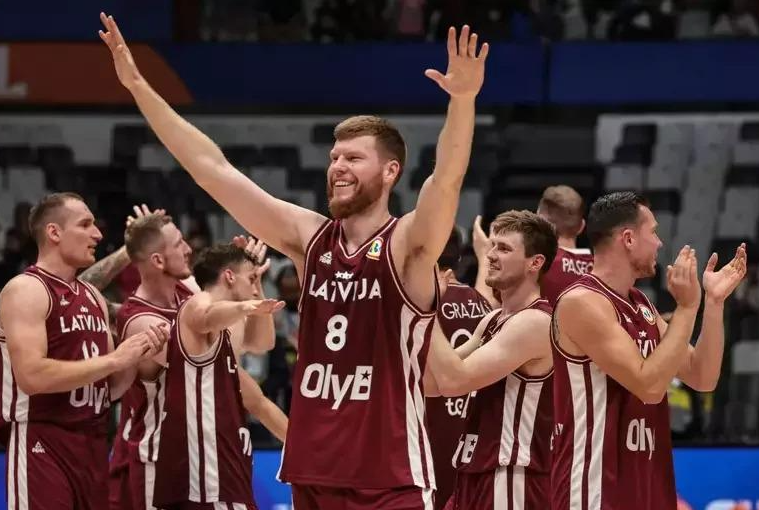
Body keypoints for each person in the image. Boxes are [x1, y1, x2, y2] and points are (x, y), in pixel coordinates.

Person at [100, 12, 488, 508]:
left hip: (389, 473)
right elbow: (213, 171)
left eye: (353, 158)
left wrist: (462, 100)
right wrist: (136, 85)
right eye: (334, 157)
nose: (338, 167)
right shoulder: (310, 238)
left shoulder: (406, 244)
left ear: (391, 171)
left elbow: (447, 181)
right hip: (312, 466)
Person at [551, 191, 747, 509]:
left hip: (645, 479)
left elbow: (702, 376)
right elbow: (650, 386)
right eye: (653, 232)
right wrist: (686, 308)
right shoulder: (581, 302)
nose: (659, 243)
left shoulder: (641, 304)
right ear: (628, 238)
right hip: (594, 489)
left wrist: (712, 304)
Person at [0, 192, 168, 510]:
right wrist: (116, 357)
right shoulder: (25, 290)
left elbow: (111, 388)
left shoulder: (90, 294)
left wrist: (136, 357)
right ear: (54, 232)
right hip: (43, 440)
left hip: (92, 442)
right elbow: (32, 376)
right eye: (86, 224)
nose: (97, 234)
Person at [109, 214, 288, 510]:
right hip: (155, 461)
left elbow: (259, 343)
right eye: (179, 244)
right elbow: (227, 352)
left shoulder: (186, 293)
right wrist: (241, 294)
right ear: (157, 260)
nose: (188, 249)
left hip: (205, 459)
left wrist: (248, 276)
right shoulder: (142, 321)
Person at [426, 210, 557, 510]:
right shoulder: (493, 319)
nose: (492, 256)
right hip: (474, 470)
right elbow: (431, 385)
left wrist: (429, 308)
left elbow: (453, 380)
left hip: (513, 476)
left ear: (535, 263)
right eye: (492, 246)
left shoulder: (534, 322)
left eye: (505, 249)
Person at [152, 244, 284, 509]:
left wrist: (256, 289)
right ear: (229, 276)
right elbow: (204, 317)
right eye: (250, 278)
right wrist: (248, 304)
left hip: (222, 461)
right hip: (205, 468)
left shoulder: (231, 324)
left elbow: (262, 343)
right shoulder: (199, 302)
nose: (254, 284)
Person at [425, 227, 491, 510]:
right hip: (467, 441)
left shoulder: (412, 305)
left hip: (423, 443)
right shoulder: (479, 302)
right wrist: (484, 257)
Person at [473, 185, 593, 307]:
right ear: (581, 226)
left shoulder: (531, 264)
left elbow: (482, 311)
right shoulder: (599, 270)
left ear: (538, 222)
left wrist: (484, 256)